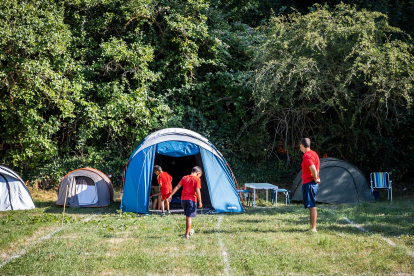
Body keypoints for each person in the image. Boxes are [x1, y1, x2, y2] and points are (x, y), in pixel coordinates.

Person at [167, 166, 203, 239]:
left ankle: (189, 231)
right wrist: (200, 201)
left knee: (187, 216)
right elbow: (197, 190)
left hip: (183, 200)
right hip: (191, 200)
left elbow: (177, 186)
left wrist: (170, 195)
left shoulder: (185, 177)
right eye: (199, 175)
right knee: (189, 217)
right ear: (198, 173)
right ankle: (187, 235)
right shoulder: (197, 179)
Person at [300, 138, 320, 232]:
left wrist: (315, 179)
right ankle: (312, 227)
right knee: (311, 205)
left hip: (309, 183)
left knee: (312, 206)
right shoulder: (314, 154)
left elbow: (313, 168)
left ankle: (314, 229)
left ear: (302, 145)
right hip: (311, 183)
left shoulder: (306, 155)